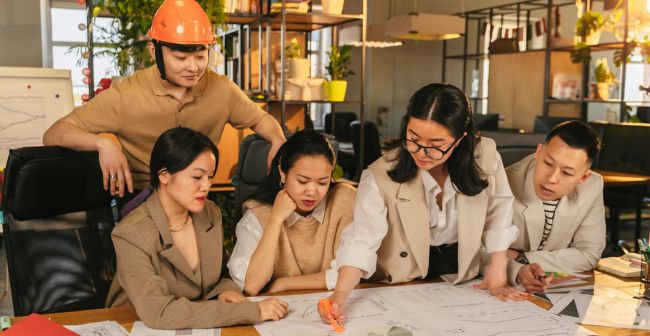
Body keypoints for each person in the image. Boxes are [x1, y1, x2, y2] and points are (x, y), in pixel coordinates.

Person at [318, 83, 527, 323]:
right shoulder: (379, 175)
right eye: (413, 138)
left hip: (459, 277)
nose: (422, 152)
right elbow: (361, 242)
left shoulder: (485, 156)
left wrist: (498, 270)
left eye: (437, 146)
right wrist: (340, 295)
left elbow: (499, 211)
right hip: (403, 280)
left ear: (460, 139)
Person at [42, 0, 285, 198]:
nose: (193, 68)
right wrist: (102, 144)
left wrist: (276, 138)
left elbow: (259, 118)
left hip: (196, 196)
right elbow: (54, 133)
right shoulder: (126, 95)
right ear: (153, 51)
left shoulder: (222, 89)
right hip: (142, 199)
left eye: (201, 57)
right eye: (180, 58)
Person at [106, 127, 288, 329]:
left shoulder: (209, 214)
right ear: (164, 175)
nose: (206, 186)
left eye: (210, 177)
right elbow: (159, 312)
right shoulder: (130, 233)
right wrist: (249, 311)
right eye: (197, 177)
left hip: (195, 329)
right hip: (133, 329)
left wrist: (225, 291)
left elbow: (220, 275)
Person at [228, 130, 356, 296]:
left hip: (334, 304)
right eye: (302, 181)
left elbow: (353, 269)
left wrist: (284, 284)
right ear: (283, 173)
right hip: (279, 312)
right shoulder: (257, 213)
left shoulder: (344, 201)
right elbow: (251, 286)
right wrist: (275, 220)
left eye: (322, 182)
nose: (312, 192)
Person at [503, 121, 605, 293]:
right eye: (548, 163)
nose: (551, 178)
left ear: (583, 177)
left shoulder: (592, 185)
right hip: (503, 287)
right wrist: (517, 270)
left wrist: (522, 258)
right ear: (538, 152)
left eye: (567, 173)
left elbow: (588, 255)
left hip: (553, 288)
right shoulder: (503, 182)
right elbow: (478, 250)